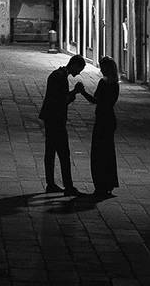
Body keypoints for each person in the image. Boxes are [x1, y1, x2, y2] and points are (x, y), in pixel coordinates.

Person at [38, 54, 86, 196]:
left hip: (49, 118)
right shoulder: (61, 78)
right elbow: (62, 100)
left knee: (50, 151)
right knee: (64, 153)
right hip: (56, 119)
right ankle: (68, 186)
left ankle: (51, 183)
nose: (79, 73)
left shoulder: (56, 74)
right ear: (74, 65)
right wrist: (75, 92)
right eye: (80, 69)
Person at [75, 56, 120, 198]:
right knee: (108, 153)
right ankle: (109, 184)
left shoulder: (104, 83)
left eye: (102, 66)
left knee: (98, 153)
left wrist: (82, 92)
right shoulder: (116, 84)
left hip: (102, 120)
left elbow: (96, 100)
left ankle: (100, 184)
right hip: (110, 119)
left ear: (107, 68)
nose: (100, 69)